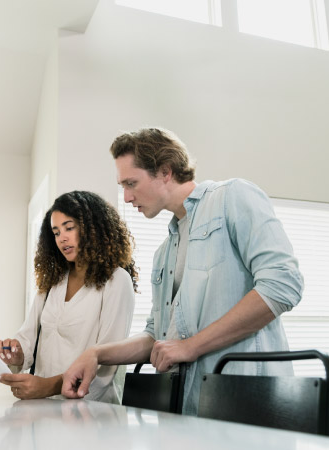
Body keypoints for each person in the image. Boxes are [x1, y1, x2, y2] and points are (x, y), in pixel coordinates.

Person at [61, 128, 304, 415]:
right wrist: (96, 353)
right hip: (192, 410)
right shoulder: (164, 252)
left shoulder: (231, 197)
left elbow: (282, 284)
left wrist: (191, 346)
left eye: (131, 183)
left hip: (248, 400)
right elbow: (156, 337)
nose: (126, 197)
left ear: (165, 171)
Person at [0, 191, 137, 403]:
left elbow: (107, 363)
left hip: (92, 416)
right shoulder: (52, 282)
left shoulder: (116, 281)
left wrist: (50, 386)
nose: (62, 238)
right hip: (44, 411)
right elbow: (27, 339)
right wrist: (16, 354)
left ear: (92, 228)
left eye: (69, 228)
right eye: (56, 232)